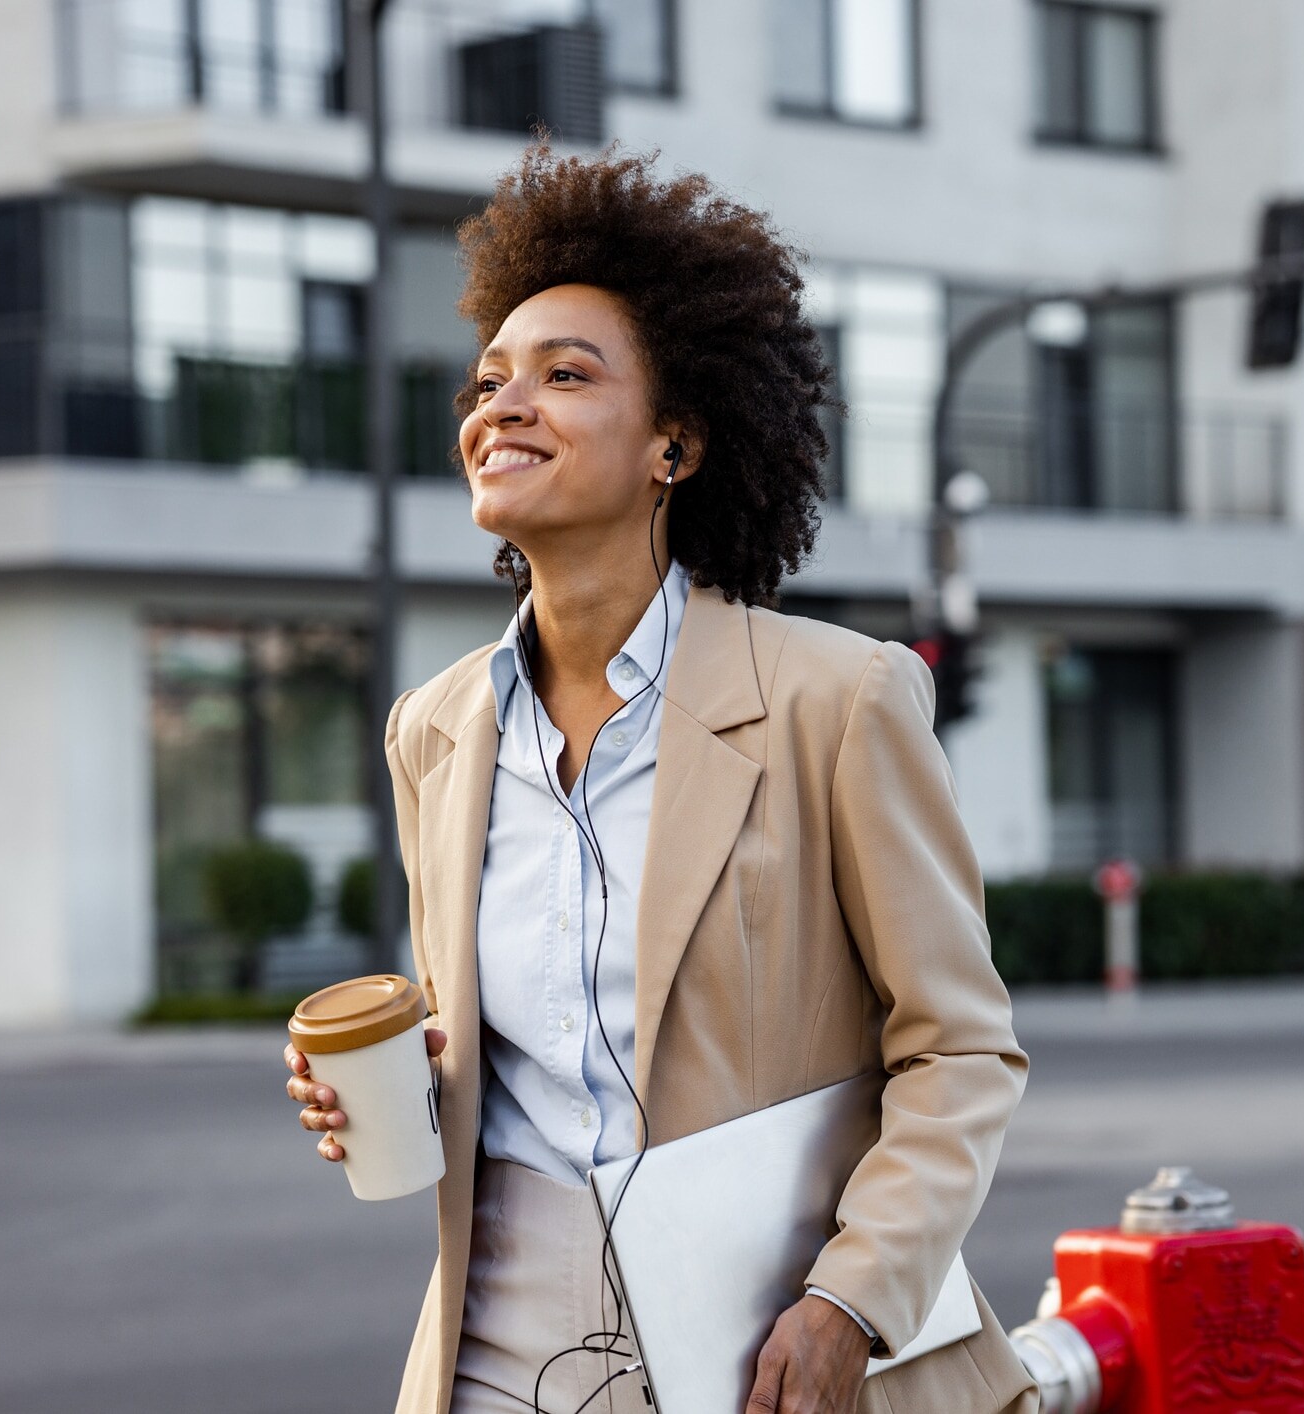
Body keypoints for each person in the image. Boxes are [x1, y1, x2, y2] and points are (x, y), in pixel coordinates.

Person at [285, 145, 1035, 1414]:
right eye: (490, 380)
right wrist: (395, 1083)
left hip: (762, 1341)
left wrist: (852, 1298)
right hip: (495, 1343)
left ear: (673, 444)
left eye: (565, 376)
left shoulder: (836, 701)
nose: (502, 405)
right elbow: (516, 1065)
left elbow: (960, 1049)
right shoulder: (437, 732)